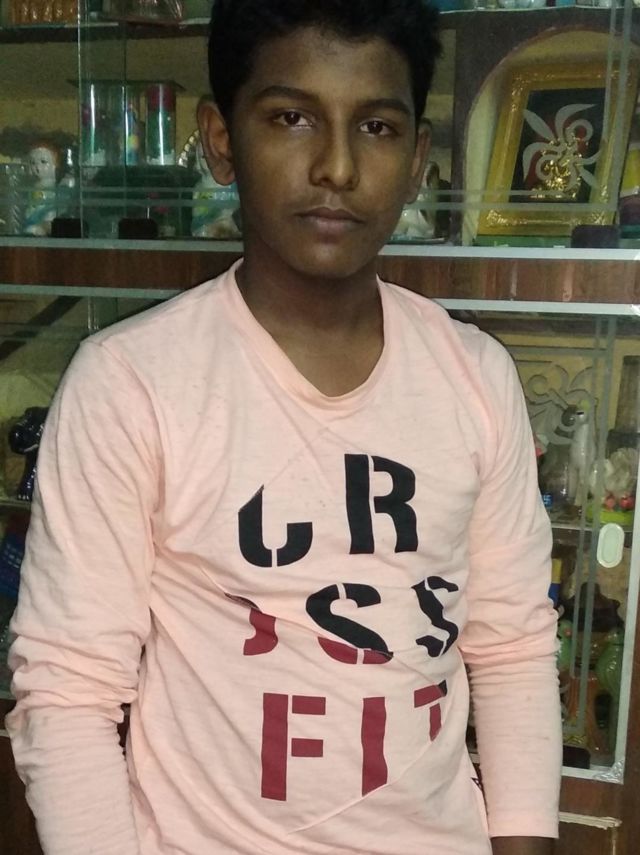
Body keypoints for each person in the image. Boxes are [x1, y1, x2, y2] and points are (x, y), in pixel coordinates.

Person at [6, 1, 561, 853]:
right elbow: (67, 694)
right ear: (221, 139)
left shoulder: (476, 377)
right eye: (292, 117)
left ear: (418, 158)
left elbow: (514, 648)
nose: (336, 165)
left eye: (376, 126)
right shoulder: (132, 384)